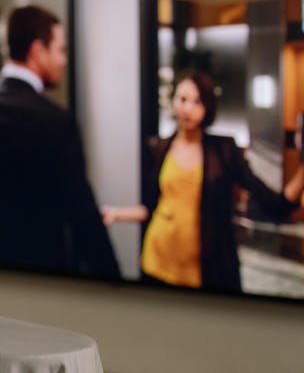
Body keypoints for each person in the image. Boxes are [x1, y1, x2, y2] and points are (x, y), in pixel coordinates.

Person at [0, 0, 120, 277]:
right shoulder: (55, 120)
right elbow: (83, 217)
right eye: (60, 50)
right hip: (41, 277)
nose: (63, 60)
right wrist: (114, 283)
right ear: (38, 51)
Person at [101, 71, 304, 291]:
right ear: (174, 102)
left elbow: (273, 202)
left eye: (197, 101)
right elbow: (151, 208)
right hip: (157, 260)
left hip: (206, 270)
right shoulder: (158, 148)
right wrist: (116, 213)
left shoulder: (224, 151)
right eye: (182, 99)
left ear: (207, 106)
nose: (187, 108)